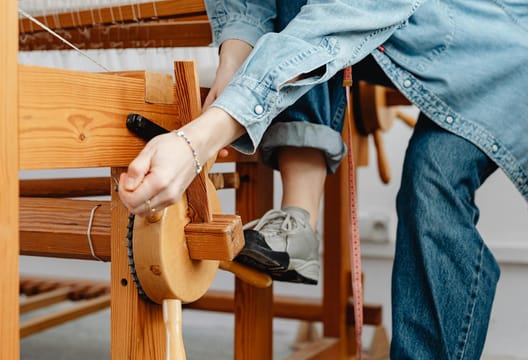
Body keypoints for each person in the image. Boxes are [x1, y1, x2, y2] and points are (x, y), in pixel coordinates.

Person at [119, 0, 528, 358]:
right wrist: (232, 69)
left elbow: (334, 24)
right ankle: (296, 221)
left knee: (431, 183)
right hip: (410, 44)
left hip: (497, 54)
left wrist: (200, 139)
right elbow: (250, 9)